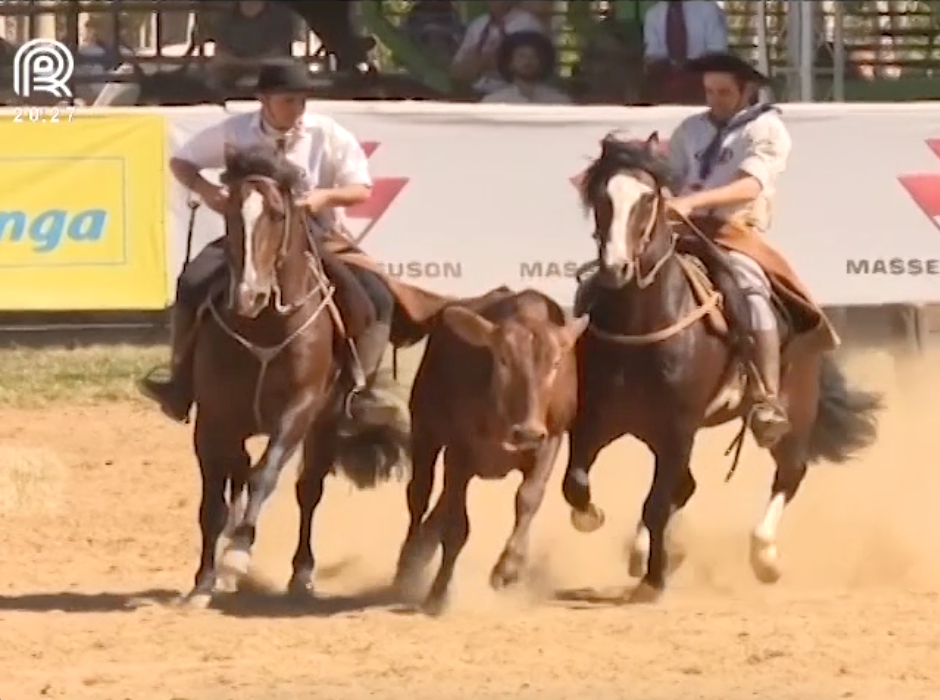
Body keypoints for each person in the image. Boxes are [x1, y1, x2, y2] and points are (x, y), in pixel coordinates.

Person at [138, 59, 397, 426]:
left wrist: (323, 198)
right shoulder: (235, 131)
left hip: (317, 236)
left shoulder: (327, 134)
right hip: (252, 235)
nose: (297, 108)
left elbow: (361, 188)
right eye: (288, 99)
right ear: (263, 99)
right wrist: (207, 190)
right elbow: (182, 161)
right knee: (193, 282)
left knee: (377, 295)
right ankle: (180, 381)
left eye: (302, 99)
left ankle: (359, 392)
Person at [664, 52, 839, 448]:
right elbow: (671, 176)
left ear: (747, 91)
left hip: (733, 229)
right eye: (709, 91)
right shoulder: (689, 129)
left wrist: (695, 202)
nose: (715, 99)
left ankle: (765, 395)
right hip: (679, 230)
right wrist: (665, 198)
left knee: (751, 289)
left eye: (724, 92)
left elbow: (751, 184)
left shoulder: (767, 128)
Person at [450, 0, 546, 96]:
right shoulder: (478, 24)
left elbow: (519, 68)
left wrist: (476, 61)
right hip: (475, 93)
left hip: (515, 94)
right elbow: (456, 70)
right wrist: (486, 61)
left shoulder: (527, 23)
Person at [642, 0, 728, 104]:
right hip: (668, 85)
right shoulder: (653, 14)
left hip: (703, 81)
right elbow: (653, 54)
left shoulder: (708, 9)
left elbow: (718, 50)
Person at [482, 31, 570, 104]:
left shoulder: (559, 102)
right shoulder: (494, 102)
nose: (527, 61)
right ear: (510, 63)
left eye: (533, 56)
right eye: (521, 56)